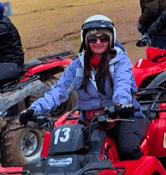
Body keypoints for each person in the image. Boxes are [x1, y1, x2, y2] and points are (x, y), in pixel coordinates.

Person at [21, 15, 148, 160]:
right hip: (91, 121)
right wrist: (34, 109)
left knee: (128, 150)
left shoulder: (120, 61)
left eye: (103, 38)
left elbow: (122, 83)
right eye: (93, 39)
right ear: (85, 40)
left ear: (111, 39)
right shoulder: (77, 65)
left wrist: (122, 103)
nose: (98, 42)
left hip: (122, 118)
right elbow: (59, 90)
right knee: (66, 155)